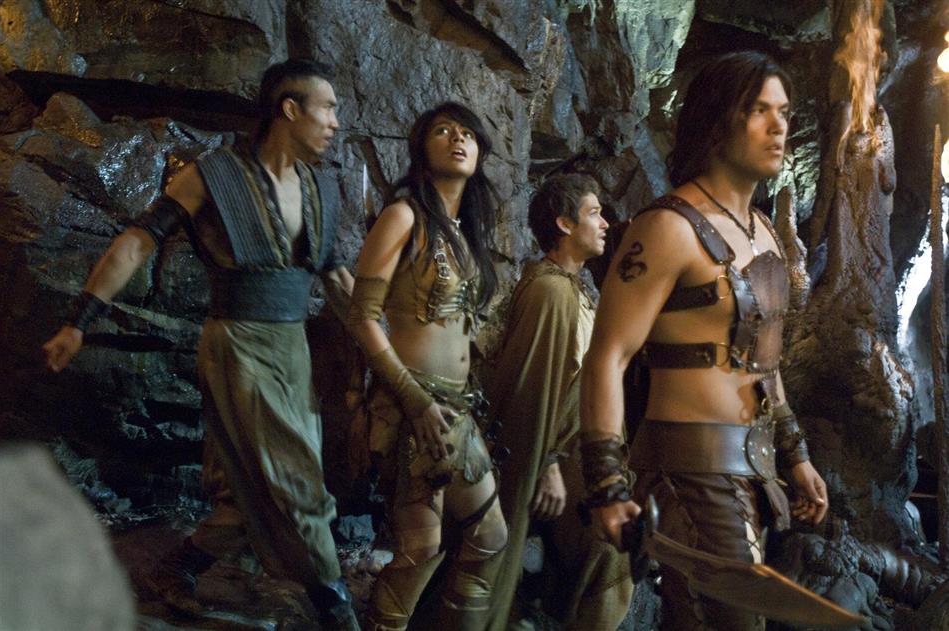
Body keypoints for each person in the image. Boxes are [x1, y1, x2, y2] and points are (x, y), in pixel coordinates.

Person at [41, 58, 359, 630]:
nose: (336, 122)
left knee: (246, 490)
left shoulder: (317, 187)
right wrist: (79, 321)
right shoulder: (214, 176)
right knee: (299, 487)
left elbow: (337, 280)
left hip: (292, 349)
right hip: (239, 345)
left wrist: (390, 356)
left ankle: (178, 569)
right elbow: (137, 243)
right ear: (290, 109)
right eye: (328, 108)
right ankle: (336, 608)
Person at [579, 51, 829, 631]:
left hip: (755, 467)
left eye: (784, 112)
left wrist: (795, 454)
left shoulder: (763, 231)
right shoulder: (666, 228)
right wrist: (607, 485)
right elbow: (608, 356)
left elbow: (764, 361)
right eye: (759, 110)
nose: (779, 126)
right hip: (688, 472)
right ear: (717, 121)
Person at [346, 102, 507, 631]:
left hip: (457, 409)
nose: (458, 139)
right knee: (421, 547)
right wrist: (413, 400)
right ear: (421, 148)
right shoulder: (404, 216)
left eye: (467, 133)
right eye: (443, 131)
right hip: (409, 403)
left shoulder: (464, 234)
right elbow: (363, 316)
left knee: (490, 537)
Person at [486, 174, 633, 630]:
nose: (605, 223)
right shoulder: (550, 291)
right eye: (594, 213)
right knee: (607, 555)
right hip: (557, 457)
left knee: (610, 559)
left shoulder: (573, 286)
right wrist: (547, 462)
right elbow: (526, 391)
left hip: (576, 453)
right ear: (565, 224)